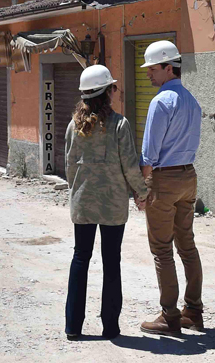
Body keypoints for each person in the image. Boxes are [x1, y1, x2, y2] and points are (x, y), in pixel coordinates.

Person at [64, 64, 150, 340]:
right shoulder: (119, 125)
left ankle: (72, 327)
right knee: (112, 261)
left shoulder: (73, 126)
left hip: (83, 203)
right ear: (108, 92)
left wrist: (77, 191)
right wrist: (142, 192)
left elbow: (68, 165)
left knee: (80, 258)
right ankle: (110, 327)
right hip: (112, 205)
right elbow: (129, 165)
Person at [137, 40, 204, 336]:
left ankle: (169, 316)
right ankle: (194, 311)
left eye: (152, 69)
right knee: (186, 245)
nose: (148, 75)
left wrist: (142, 188)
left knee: (162, 249)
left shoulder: (161, 101)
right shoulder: (191, 100)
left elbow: (149, 153)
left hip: (164, 180)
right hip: (188, 176)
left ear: (168, 67)